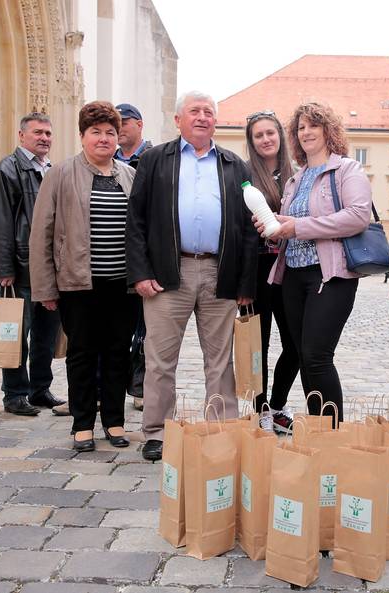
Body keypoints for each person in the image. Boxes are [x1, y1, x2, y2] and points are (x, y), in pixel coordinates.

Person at [127, 91, 258, 461]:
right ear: (178, 119)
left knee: (220, 360)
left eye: (209, 112)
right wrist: (140, 272)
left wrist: (245, 284)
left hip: (220, 272)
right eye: (194, 111)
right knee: (160, 358)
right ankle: (157, 432)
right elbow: (135, 220)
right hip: (169, 272)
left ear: (215, 121)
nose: (202, 117)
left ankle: (221, 428)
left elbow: (249, 229)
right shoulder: (154, 160)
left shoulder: (234, 165)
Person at [29, 101, 138, 452]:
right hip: (78, 284)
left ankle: (114, 421)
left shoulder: (129, 175)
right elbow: (42, 233)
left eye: (110, 132)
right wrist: (45, 286)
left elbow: (140, 231)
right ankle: (82, 423)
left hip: (121, 285)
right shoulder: (60, 174)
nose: (104, 138)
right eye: (96, 132)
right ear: (82, 136)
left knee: (118, 352)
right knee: (82, 353)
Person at [257, 102, 371, 424]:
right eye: (300, 128)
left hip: (330, 276)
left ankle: (332, 435)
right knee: (305, 359)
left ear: (328, 130)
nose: (305, 132)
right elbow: (293, 224)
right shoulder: (295, 179)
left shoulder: (347, 169)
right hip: (293, 275)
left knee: (318, 357)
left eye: (313, 126)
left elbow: (358, 216)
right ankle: (318, 431)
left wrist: (298, 226)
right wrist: (275, 224)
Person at [0, 113, 65, 416]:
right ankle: (15, 393)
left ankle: (40, 389)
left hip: (50, 269)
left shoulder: (52, 170)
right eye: (37, 133)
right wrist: (4, 268)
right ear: (21, 136)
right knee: (16, 334)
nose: (44, 138)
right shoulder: (7, 170)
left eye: (48, 132)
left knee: (47, 334)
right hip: (20, 269)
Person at [243, 110, 301, 434]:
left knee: (297, 344)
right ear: (252, 142)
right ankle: (262, 410)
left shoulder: (297, 174)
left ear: (280, 135)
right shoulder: (245, 176)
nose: (266, 139)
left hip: (292, 268)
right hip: (258, 271)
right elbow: (237, 230)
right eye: (259, 135)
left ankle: (278, 403)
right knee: (258, 346)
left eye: (270, 133)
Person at [114, 102, 153, 411]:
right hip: (111, 257)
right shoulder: (104, 159)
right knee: (113, 329)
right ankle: (107, 386)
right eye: (117, 122)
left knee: (146, 329)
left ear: (139, 124)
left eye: (125, 121)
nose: (120, 127)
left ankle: (140, 386)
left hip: (144, 256)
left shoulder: (153, 158)